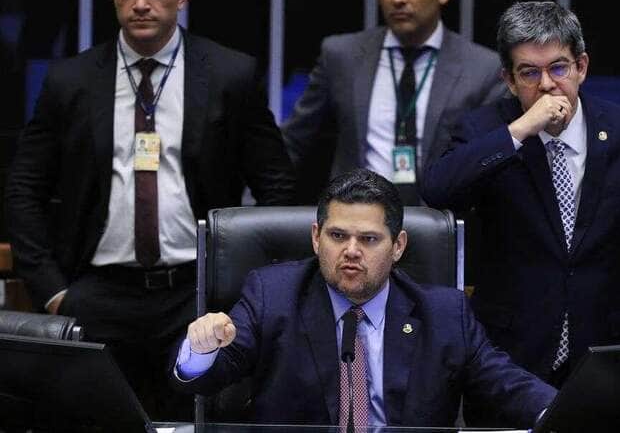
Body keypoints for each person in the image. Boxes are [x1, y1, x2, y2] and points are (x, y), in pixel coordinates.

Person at [4, 0, 295, 420]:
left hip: (195, 294)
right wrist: (53, 289)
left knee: (192, 423)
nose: (141, 4)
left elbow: (277, 189)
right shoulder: (71, 81)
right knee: (94, 424)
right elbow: (24, 188)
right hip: (94, 294)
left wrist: (244, 287)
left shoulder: (228, 75)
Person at [421, 1, 620, 423]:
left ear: (582, 67)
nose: (547, 85)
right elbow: (438, 189)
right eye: (529, 72)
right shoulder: (485, 131)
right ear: (508, 81)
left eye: (559, 68)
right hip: (507, 359)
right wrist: (519, 132)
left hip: (600, 354)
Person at [171, 168, 556, 428]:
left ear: (398, 245)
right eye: (338, 236)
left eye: (369, 239)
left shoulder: (444, 313)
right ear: (315, 238)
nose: (351, 251)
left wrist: (569, 412)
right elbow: (209, 376)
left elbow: (505, 385)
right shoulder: (273, 295)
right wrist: (201, 349)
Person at [280, 0, 506, 204]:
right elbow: (293, 143)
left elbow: (489, 160)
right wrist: (252, 215)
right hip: (356, 224)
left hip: (441, 224)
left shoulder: (483, 68)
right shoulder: (342, 56)